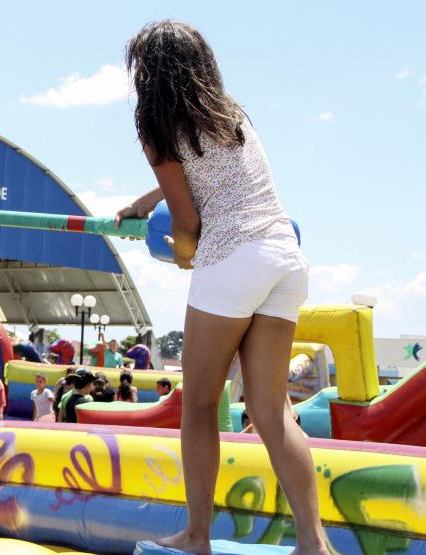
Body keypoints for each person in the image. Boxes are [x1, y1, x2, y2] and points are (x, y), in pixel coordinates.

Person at [117, 21, 327, 554]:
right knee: (272, 409)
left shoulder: (156, 126)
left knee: (201, 406)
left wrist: (186, 259)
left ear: (148, 74)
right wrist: (145, 203)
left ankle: (196, 536)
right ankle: (315, 543)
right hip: (285, 256)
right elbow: (204, 172)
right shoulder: (229, 111)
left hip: (233, 259)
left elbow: (186, 222)